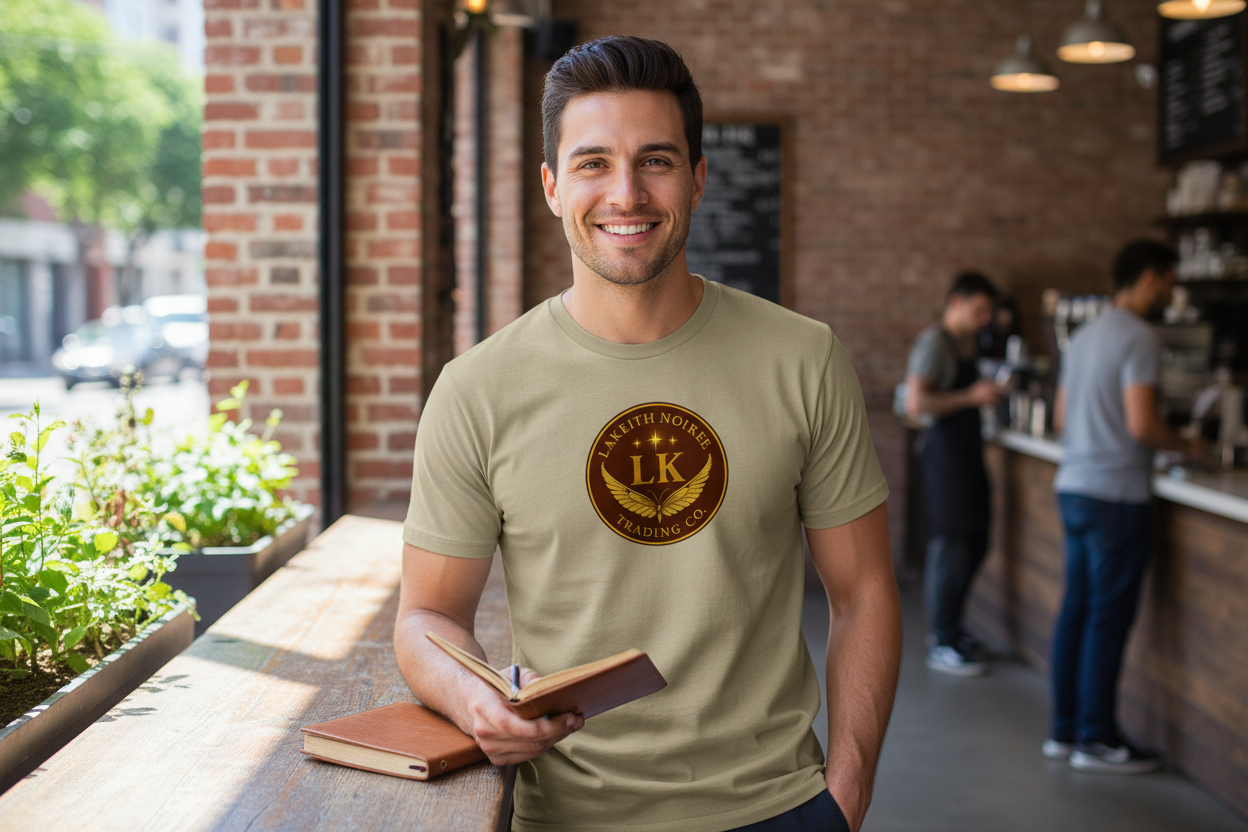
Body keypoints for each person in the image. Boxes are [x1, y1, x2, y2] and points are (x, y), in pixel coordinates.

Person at [393, 35, 902, 832]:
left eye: (656, 160)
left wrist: (847, 794)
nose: (626, 193)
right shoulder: (477, 389)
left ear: (698, 179)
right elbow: (426, 618)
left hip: (778, 808)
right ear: (553, 186)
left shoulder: (803, 358)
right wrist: (475, 701)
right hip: (566, 818)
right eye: (594, 163)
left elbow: (864, 592)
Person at [1043, 240, 1201, 773]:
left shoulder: (1084, 335)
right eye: (1170, 282)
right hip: (1116, 495)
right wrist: (1188, 444)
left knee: (1076, 611)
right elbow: (1142, 425)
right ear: (1152, 278)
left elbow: (1062, 416)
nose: (1172, 293)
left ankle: (1064, 731)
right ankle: (1097, 738)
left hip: (1074, 487)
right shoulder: (1140, 336)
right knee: (1107, 620)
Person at [904, 272, 1002, 676]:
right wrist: (972, 396)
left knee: (975, 543)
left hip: (966, 454)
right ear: (957, 302)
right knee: (950, 547)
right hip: (944, 459)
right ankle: (942, 641)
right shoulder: (934, 344)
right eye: (979, 311)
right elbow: (916, 403)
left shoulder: (963, 342)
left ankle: (953, 629)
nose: (984, 320)